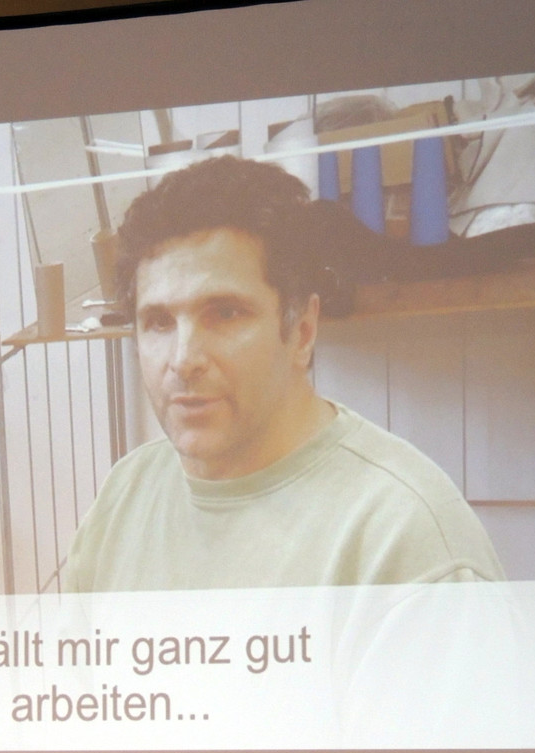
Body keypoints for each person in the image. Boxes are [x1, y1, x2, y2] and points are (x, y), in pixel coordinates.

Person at [63, 155, 504, 592]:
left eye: (225, 313)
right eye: (159, 322)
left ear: (302, 330)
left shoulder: (405, 542)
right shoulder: (123, 499)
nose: (183, 360)